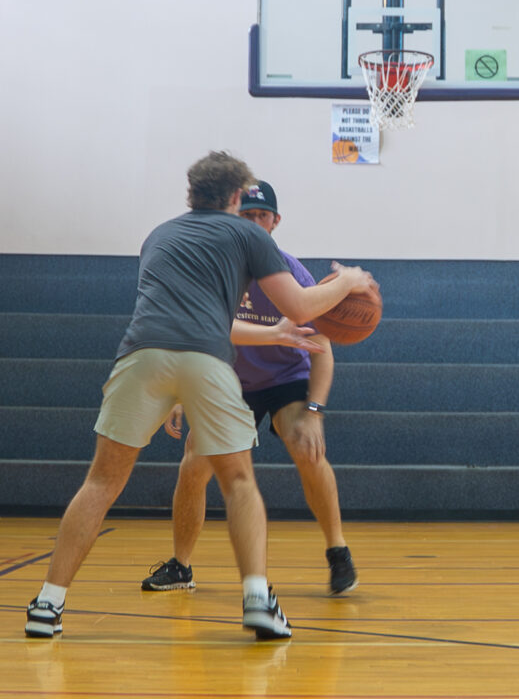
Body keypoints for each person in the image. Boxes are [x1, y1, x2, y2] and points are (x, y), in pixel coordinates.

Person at [26, 151, 375, 641]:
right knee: (239, 482)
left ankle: (47, 603)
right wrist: (350, 280)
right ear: (235, 196)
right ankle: (258, 601)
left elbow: (175, 313)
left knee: (101, 481)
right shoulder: (247, 236)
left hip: (140, 355)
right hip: (208, 360)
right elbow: (299, 306)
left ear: (191, 193)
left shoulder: (158, 235)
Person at [142, 179, 358, 599]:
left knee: (306, 445)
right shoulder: (217, 270)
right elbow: (198, 335)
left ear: (276, 221)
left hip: (285, 378)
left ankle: (338, 551)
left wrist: (314, 412)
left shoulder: (291, 273)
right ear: (232, 219)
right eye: (247, 215)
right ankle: (181, 565)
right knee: (194, 461)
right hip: (229, 379)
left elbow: (323, 351)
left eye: (263, 215)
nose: (255, 222)